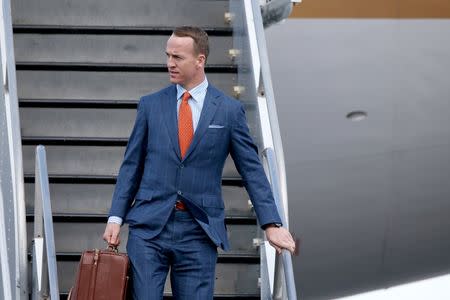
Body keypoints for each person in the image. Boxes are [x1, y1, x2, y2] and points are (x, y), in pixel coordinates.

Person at [103, 26, 295, 299]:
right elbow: (131, 166)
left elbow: (252, 170)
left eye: (178, 57)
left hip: (199, 230)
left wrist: (271, 224)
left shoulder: (229, 110)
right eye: (168, 55)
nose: (170, 63)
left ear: (200, 60)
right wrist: (115, 217)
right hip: (148, 228)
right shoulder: (150, 106)